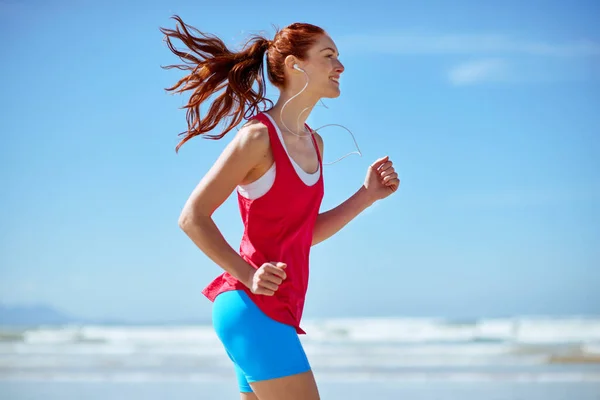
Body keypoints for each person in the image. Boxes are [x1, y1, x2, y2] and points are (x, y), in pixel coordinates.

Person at [161, 15, 400, 400]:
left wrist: (366, 195)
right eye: (328, 56)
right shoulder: (258, 137)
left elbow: (302, 233)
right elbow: (192, 218)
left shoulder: (315, 144)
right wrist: (249, 274)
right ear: (295, 65)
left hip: (276, 312)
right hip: (251, 309)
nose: (340, 66)